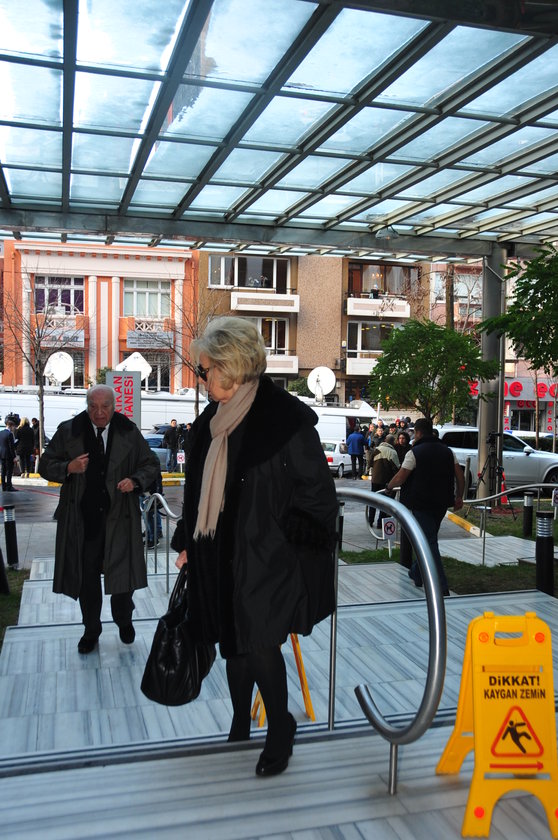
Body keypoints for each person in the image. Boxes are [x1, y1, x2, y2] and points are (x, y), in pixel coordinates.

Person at [170, 317, 337, 778]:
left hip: (268, 560)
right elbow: (197, 490)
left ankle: (280, 726)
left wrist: (282, 542)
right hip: (216, 555)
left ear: (230, 365)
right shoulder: (210, 421)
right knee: (233, 643)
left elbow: (318, 498)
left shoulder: (284, 421)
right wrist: (189, 542)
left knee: (260, 644)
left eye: (205, 370)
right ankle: (241, 721)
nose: (201, 378)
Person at [38, 384, 160, 654]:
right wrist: (68, 467)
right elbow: (44, 464)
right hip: (83, 521)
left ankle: (124, 619)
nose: (99, 412)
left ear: (114, 406)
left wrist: (135, 480)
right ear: (87, 406)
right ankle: (91, 630)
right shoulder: (69, 431)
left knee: (123, 579)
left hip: (120, 518)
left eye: (105, 406)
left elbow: (151, 464)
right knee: (87, 581)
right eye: (93, 406)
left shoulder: (128, 431)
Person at [386, 417, 464, 596]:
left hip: (421, 504)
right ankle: (416, 573)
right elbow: (460, 476)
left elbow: (401, 476)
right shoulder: (448, 451)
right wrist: (459, 496)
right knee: (429, 539)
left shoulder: (414, 452)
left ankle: (441, 586)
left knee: (429, 542)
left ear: (418, 433)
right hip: (442, 503)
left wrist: (389, 486)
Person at [369, 433, 399, 528]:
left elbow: (370, 463)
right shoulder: (392, 452)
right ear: (393, 442)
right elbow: (396, 468)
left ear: (385, 440)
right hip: (386, 481)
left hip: (375, 479)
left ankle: (370, 520)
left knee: (373, 501)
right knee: (385, 503)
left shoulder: (377, 449)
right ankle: (380, 523)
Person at [0, 420, 17, 492]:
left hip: (1, 454)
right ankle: (9, 486)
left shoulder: (1, 433)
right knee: (9, 471)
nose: (14, 428)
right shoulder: (10, 434)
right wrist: (14, 457)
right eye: (13, 427)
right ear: (11, 426)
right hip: (8, 455)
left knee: (3, 471)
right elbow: (11, 447)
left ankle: (3, 486)